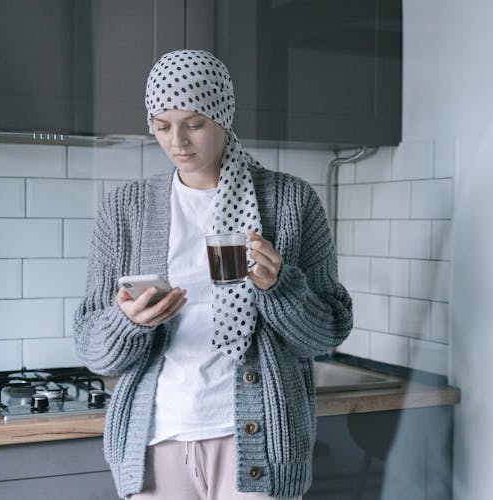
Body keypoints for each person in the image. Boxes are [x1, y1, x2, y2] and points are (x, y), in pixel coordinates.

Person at [74, 49, 353, 499]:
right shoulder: (125, 210)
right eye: (162, 126)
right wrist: (129, 324)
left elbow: (327, 333)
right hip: (155, 442)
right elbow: (93, 348)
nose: (178, 141)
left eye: (195, 123)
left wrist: (278, 289)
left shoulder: (291, 203)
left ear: (223, 115)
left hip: (261, 443)